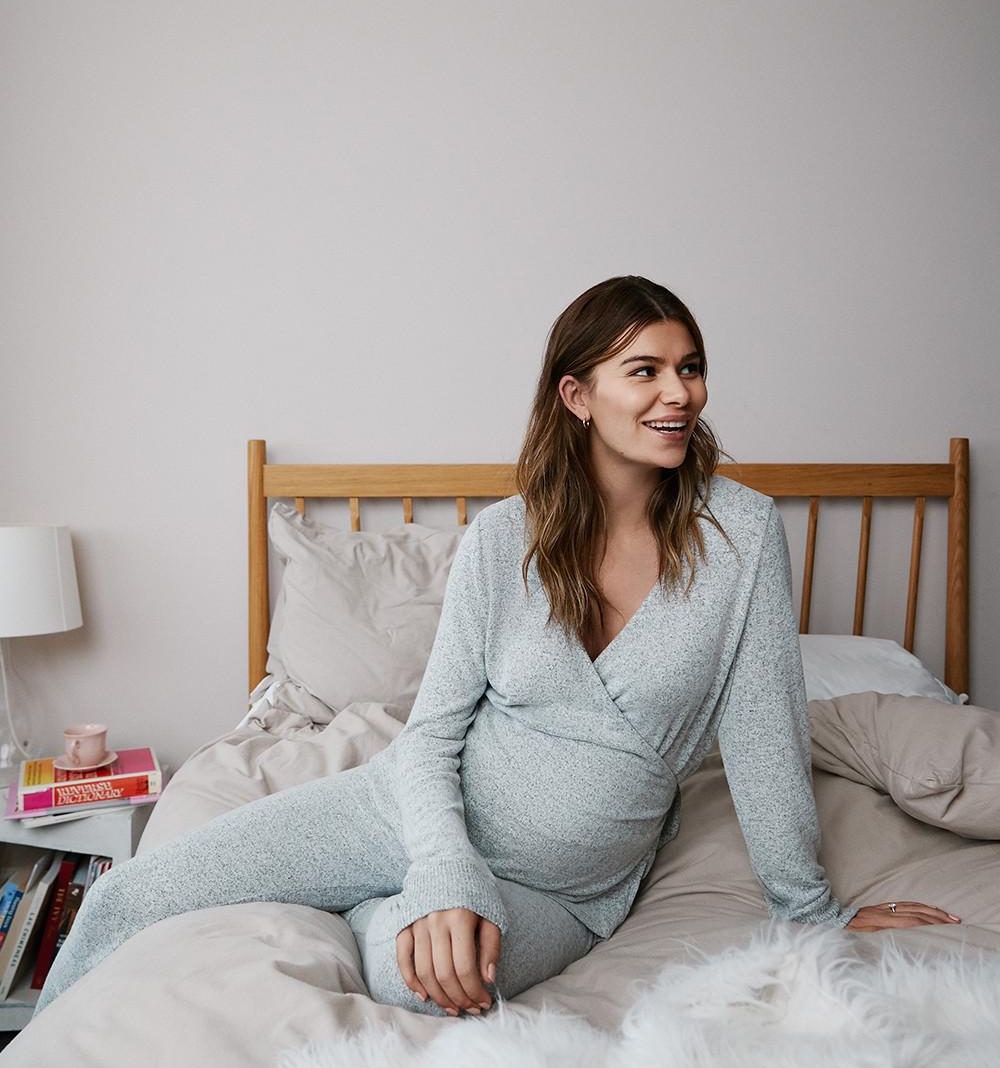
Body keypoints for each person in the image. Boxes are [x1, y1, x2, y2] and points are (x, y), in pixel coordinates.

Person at [33, 275, 959, 1022]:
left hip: (566, 888)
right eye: (646, 370)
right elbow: (430, 736)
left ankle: (370, 914)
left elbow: (761, 742)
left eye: (693, 368)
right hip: (403, 814)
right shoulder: (501, 540)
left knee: (417, 984)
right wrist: (444, 867)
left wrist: (813, 918)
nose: (681, 392)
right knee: (131, 894)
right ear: (578, 395)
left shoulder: (744, 537)